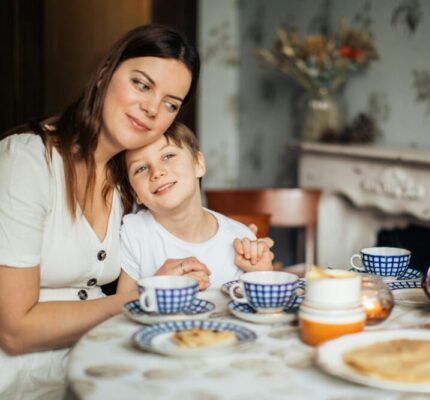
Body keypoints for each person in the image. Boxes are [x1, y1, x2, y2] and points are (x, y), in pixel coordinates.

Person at [0, 24, 204, 399]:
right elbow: (14, 331)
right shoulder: (27, 160)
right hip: (23, 381)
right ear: (105, 72)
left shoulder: (125, 178)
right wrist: (137, 300)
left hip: (97, 365)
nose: (152, 109)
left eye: (171, 104)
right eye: (142, 84)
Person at [115, 122, 274, 293]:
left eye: (168, 156)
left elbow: (261, 311)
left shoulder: (241, 240)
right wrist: (157, 287)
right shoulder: (135, 233)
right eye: (141, 168)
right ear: (135, 193)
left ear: (199, 164)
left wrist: (262, 275)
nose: (157, 172)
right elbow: (120, 311)